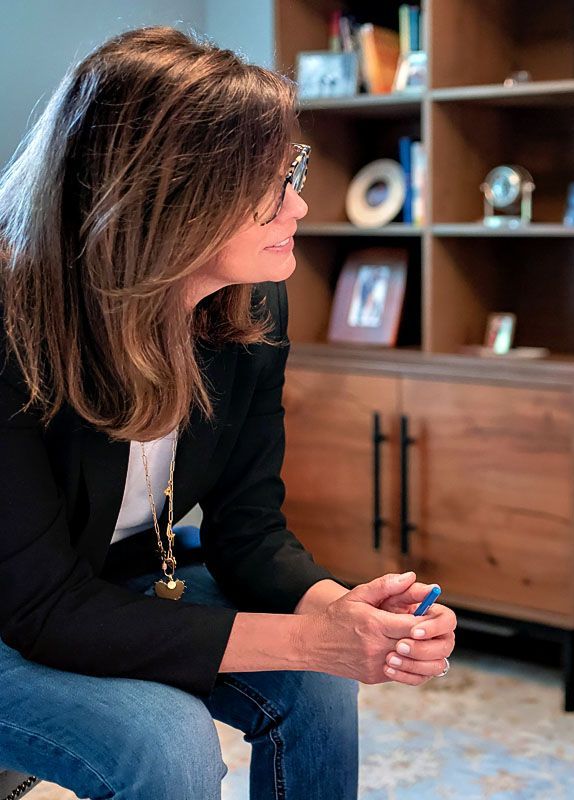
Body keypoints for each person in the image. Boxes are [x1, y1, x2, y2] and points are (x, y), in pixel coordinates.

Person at [0, 27, 456, 798]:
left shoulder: (249, 306)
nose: (301, 203)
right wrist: (316, 637)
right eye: (275, 182)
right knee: (165, 740)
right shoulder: (15, 327)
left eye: (294, 171)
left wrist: (345, 613)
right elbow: (45, 607)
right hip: (21, 610)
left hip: (116, 581)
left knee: (316, 684)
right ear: (168, 195)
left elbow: (251, 529)